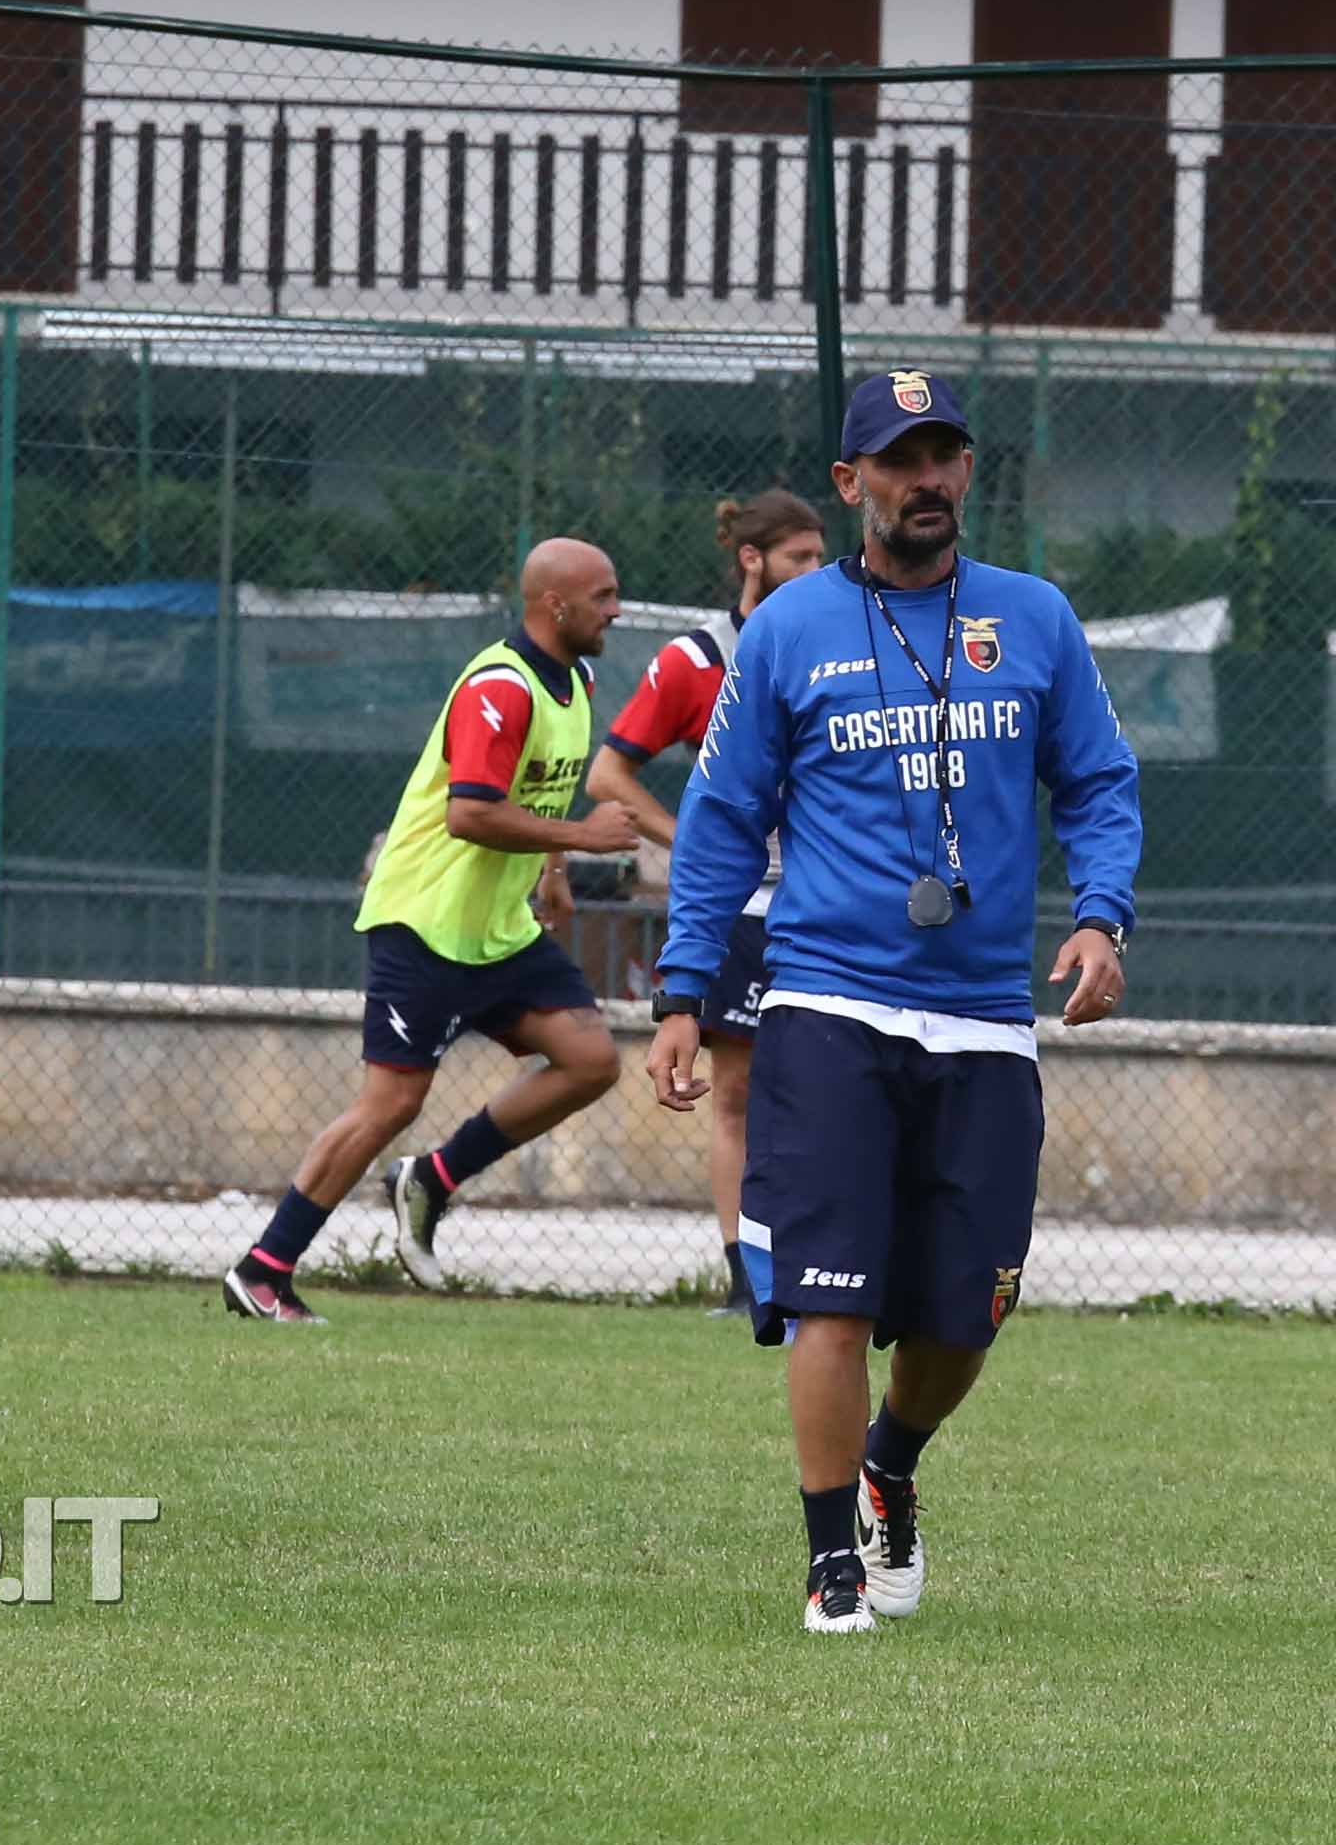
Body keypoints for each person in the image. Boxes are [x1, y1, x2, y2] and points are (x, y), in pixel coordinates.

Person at [650, 370, 1138, 1633]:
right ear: (850, 481)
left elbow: (1097, 781)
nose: (926, 479)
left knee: (968, 1309)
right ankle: (829, 1565)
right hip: (827, 1007)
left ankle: (893, 1461)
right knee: (832, 1294)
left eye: (946, 456)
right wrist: (683, 991)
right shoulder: (790, 630)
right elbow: (716, 824)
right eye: (900, 458)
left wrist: (1101, 914)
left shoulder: (1032, 619)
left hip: (983, 1017)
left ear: (968, 472)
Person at [225, 536, 655, 1320]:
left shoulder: (578, 681)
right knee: (388, 1104)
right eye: (603, 595)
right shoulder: (501, 686)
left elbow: (545, 791)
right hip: (424, 922)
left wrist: (553, 876)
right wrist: (583, 843)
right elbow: (471, 812)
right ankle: (263, 1269)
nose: (617, 609)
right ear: (554, 604)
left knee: (590, 1060)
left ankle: (431, 1179)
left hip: (497, 929)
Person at [594, 491, 826, 1312]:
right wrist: (687, 838)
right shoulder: (696, 658)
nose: (815, 570)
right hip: (736, 912)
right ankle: (746, 1276)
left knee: (820, 1092)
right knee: (735, 1093)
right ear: (752, 560)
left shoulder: (837, 641)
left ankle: (825, 1262)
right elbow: (608, 773)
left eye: (820, 555)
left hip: (820, 905)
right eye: (798, 556)